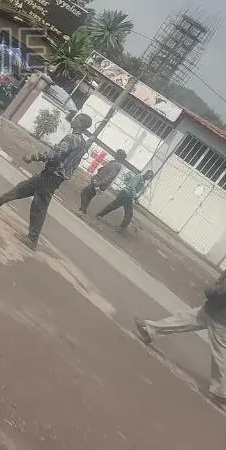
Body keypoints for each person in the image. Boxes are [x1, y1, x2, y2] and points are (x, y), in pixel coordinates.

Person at [0, 111, 93, 249]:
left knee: (39, 206)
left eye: (77, 118)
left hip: (52, 176)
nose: (74, 119)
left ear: (81, 124)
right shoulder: (82, 143)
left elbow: (55, 154)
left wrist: (34, 157)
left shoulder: (73, 138)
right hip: (52, 175)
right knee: (22, 188)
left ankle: (32, 239)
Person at [135, 266, 226, 407]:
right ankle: (150, 330)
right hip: (211, 310)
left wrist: (212, 291)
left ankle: (221, 392)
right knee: (183, 319)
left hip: (221, 318)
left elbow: (222, 294)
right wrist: (218, 283)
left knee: (219, 353)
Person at [95, 168, 154, 233]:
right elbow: (132, 187)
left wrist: (133, 197)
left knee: (122, 210)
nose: (149, 178)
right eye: (149, 176)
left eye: (150, 177)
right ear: (146, 174)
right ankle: (102, 216)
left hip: (128, 196)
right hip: (125, 194)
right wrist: (135, 198)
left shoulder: (143, 180)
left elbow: (135, 189)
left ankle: (119, 227)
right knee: (118, 208)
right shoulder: (139, 177)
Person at [78, 149, 127, 214]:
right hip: (98, 181)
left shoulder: (117, 165)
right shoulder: (113, 162)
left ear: (119, 156)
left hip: (99, 183)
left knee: (84, 192)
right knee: (89, 195)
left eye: (117, 153)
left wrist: (99, 183)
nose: (115, 154)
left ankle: (83, 209)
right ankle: (82, 210)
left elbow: (110, 177)